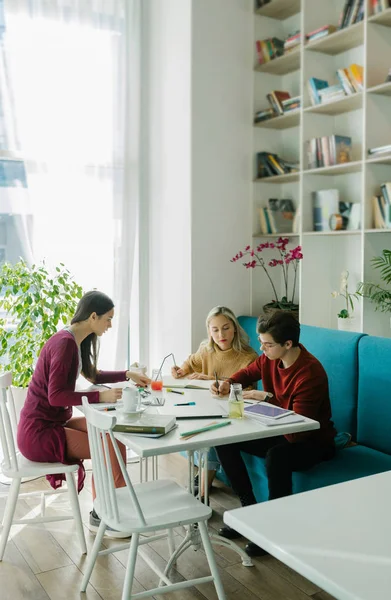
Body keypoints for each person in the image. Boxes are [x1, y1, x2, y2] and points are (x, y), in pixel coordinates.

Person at [17, 290, 150, 538]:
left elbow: (93, 375)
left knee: (112, 434)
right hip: (38, 433)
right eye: (108, 319)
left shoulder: (74, 340)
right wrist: (100, 397)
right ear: (93, 316)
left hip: (49, 424)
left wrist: (127, 374)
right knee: (106, 445)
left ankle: (104, 510)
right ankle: (108, 514)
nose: (110, 325)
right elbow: (55, 396)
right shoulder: (65, 344)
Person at [211, 310, 336, 557]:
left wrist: (265, 397)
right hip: (279, 429)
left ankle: (274, 529)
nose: (262, 348)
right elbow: (248, 373)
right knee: (225, 439)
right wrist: (229, 382)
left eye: (267, 344)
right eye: (261, 342)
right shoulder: (270, 358)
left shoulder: (309, 373)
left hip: (311, 440)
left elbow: (297, 428)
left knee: (277, 456)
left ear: (288, 344)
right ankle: (248, 509)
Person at [172, 306, 258, 497]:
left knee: (215, 432)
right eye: (215, 330)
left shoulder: (249, 357)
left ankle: (202, 486)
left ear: (235, 328)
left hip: (233, 412)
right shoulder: (206, 350)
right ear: (209, 332)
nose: (221, 334)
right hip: (207, 406)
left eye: (226, 328)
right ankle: (202, 481)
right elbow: (190, 363)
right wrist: (180, 370)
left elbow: (249, 391)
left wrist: (210, 380)